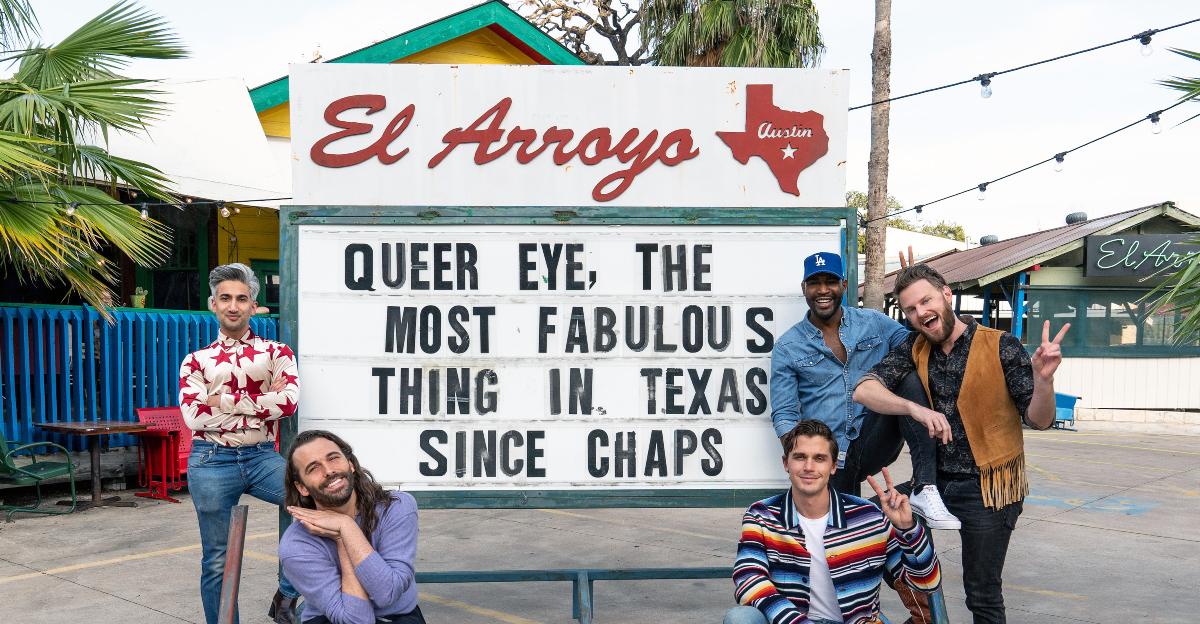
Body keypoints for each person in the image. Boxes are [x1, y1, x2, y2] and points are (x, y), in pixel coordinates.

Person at [853, 263, 1068, 624]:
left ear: (946, 295)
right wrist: (914, 409)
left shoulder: (1001, 345)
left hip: (989, 485)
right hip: (934, 483)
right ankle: (924, 614)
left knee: (982, 594)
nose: (921, 313)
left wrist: (1044, 381)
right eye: (910, 309)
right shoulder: (914, 347)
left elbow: (1040, 420)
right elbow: (864, 389)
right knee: (867, 520)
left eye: (926, 301)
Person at [771, 252, 960, 525]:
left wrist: (917, 287)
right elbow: (785, 413)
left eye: (831, 281)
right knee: (841, 535)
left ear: (844, 286)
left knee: (906, 376)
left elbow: (921, 343)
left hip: (874, 436)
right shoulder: (788, 347)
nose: (823, 290)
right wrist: (801, 458)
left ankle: (925, 487)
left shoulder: (874, 323)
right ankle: (881, 525)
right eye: (814, 283)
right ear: (804, 289)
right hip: (831, 453)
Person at [178, 262, 301, 624]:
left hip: (263, 456)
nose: (234, 305)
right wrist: (262, 403)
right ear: (213, 304)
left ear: (253, 307)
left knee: (318, 501)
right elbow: (195, 417)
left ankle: (287, 596)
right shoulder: (196, 361)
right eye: (226, 298)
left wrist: (221, 401)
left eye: (242, 299)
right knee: (216, 557)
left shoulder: (277, 353)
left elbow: (288, 403)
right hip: (210, 460)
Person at [726, 420, 941, 624]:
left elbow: (926, 583)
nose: (809, 467)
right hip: (791, 620)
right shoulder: (762, 515)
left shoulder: (870, 516)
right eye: (800, 457)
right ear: (786, 463)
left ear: (833, 466)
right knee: (741, 618)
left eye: (819, 458)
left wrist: (908, 529)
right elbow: (749, 579)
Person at [280, 430, 423, 624]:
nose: (329, 470)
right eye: (314, 468)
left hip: (399, 617)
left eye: (333, 458)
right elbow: (357, 621)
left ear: (351, 464)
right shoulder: (296, 545)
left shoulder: (396, 507)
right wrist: (341, 538)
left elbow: (387, 593)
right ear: (302, 488)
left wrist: (345, 526)